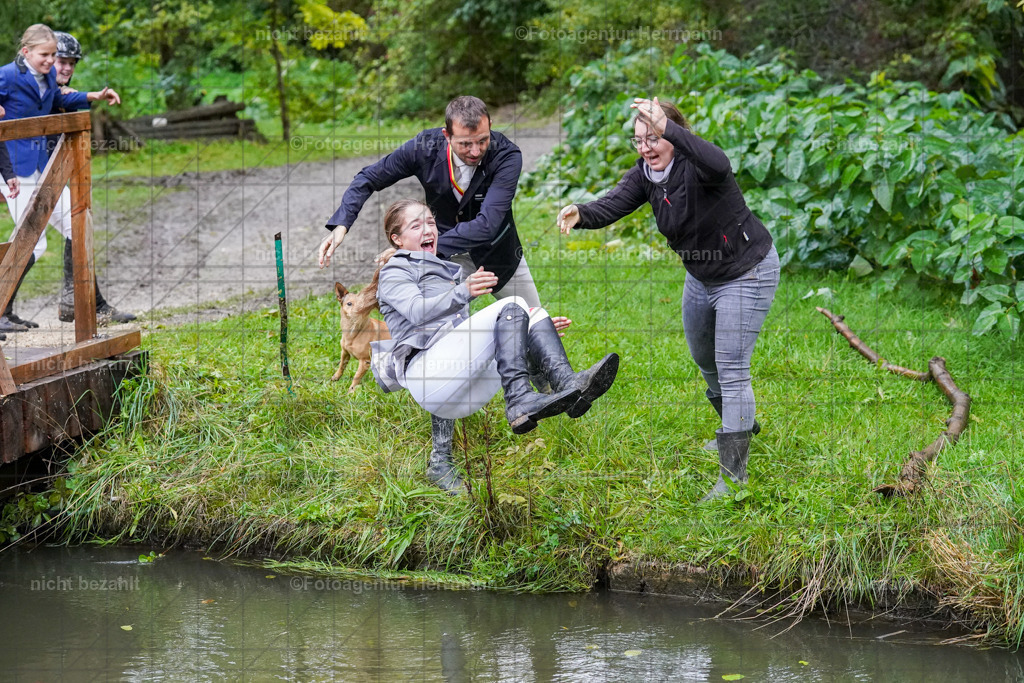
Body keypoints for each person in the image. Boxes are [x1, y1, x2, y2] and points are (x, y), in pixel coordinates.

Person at [317, 95, 569, 477]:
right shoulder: (423, 148)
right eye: (465, 143)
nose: (476, 151)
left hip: (498, 254)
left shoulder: (507, 155)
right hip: (439, 256)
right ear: (445, 135)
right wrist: (342, 225)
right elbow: (368, 177)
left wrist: (423, 246)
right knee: (436, 336)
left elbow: (488, 223)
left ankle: (552, 400)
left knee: (534, 321)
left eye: (482, 140)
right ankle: (441, 455)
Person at [557, 97, 780, 501]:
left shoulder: (699, 164)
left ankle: (733, 478)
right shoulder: (646, 174)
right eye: (639, 140)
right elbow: (614, 202)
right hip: (701, 276)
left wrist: (670, 128)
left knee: (731, 368)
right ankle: (741, 425)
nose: (645, 147)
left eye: (654, 137)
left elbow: (721, 163)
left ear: (674, 136)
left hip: (746, 271)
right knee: (704, 358)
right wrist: (581, 213)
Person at [367, 199, 619, 493]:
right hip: (426, 378)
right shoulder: (395, 270)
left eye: (431, 223)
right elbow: (416, 311)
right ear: (397, 239)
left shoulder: (439, 268)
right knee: (513, 303)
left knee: (533, 314)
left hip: (456, 388)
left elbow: (461, 342)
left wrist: (531, 333)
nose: (428, 230)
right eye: (416, 225)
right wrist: (463, 292)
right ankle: (519, 401)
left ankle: (570, 387)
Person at [0, 24, 122, 332]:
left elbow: (62, 98)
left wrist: (93, 96)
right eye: (53, 57)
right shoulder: (12, 76)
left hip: (45, 169)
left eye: (62, 59)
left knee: (78, 222)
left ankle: (76, 302)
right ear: (29, 53)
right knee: (32, 242)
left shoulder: (49, 84)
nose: (58, 64)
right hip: (15, 169)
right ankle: (1, 310)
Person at [47, 31, 135, 325]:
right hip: (23, 176)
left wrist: (75, 98)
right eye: (61, 61)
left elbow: (75, 107)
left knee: (76, 227)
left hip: (49, 176)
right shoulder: (37, 92)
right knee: (35, 242)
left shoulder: (62, 94)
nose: (67, 68)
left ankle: (84, 302)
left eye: (72, 63)